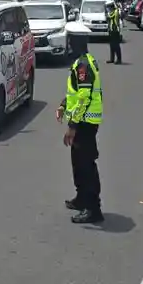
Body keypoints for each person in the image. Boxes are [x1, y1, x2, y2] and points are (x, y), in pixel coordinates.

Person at [56, 21, 104, 224]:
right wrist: (63, 105)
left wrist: (72, 126)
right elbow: (76, 94)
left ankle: (93, 208)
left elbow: (84, 97)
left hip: (85, 122)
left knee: (85, 165)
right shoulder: (85, 61)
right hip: (83, 120)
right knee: (78, 161)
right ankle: (81, 198)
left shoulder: (83, 65)